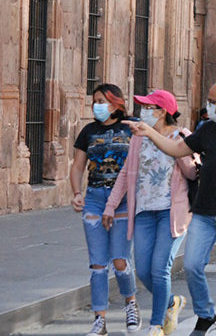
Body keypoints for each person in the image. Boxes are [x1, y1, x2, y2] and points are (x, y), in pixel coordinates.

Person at [124, 81, 216, 336]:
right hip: (204, 211)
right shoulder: (208, 130)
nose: (208, 106)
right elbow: (177, 148)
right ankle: (205, 313)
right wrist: (149, 132)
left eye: (213, 101)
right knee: (192, 266)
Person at [103, 90, 197, 336]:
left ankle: (156, 325)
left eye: (148, 107)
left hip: (171, 212)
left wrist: (182, 154)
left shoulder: (181, 136)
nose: (143, 112)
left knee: (159, 269)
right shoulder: (138, 139)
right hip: (144, 211)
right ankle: (171, 303)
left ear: (162, 112)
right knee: (143, 270)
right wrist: (111, 205)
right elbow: (125, 174)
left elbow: (192, 173)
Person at [69, 83, 141, 336]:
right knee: (98, 264)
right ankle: (99, 319)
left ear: (115, 102)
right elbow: (78, 166)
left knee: (120, 260)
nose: (96, 105)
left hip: (122, 199)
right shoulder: (88, 131)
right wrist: (77, 193)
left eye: (101, 100)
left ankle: (130, 302)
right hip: (95, 198)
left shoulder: (131, 127)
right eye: (94, 100)